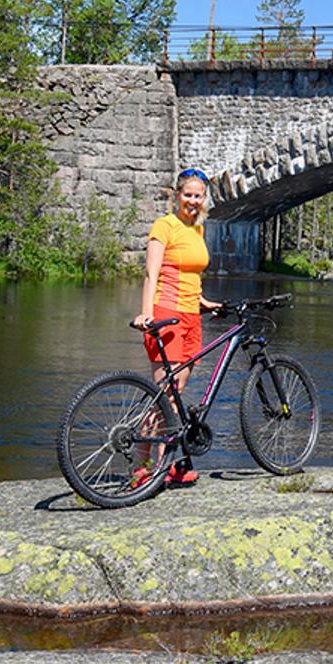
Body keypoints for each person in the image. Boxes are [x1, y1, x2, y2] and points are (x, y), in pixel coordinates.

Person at [131, 168, 221, 487]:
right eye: (188, 195)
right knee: (163, 395)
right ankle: (143, 468)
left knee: (176, 394)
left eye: (198, 196)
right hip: (165, 314)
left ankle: (167, 465)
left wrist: (203, 300)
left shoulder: (197, 230)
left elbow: (191, 273)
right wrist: (146, 314)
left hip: (191, 316)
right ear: (176, 196)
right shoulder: (164, 226)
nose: (193, 201)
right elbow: (151, 274)